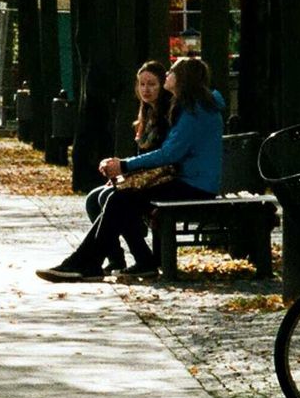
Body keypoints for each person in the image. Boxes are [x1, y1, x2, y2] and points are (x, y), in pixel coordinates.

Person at [37, 57, 224, 282]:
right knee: (119, 198)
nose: (168, 75)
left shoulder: (195, 111)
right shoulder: (193, 107)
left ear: (183, 79)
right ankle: (94, 262)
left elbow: (169, 153)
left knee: (119, 199)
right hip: (190, 181)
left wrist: (124, 166)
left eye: (172, 72)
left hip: (194, 186)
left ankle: (87, 262)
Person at [84, 60, 171, 274]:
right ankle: (115, 258)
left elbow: (160, 158)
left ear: (163, 85)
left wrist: (125, 171)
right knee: (94, 198)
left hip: (162, 179)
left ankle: (144, 259)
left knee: (112, 198)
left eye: (152, 84)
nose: (146, 89)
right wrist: (121, 174)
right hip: (145, 177)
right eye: (142, 84)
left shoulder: (168, 115)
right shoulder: (146, 115)